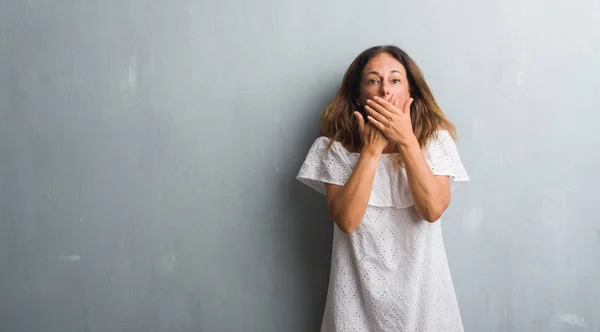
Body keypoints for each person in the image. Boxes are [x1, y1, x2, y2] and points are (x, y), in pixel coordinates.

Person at [296, 45, 470, 332]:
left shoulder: (434, 141)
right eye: (373, 81)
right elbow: (347, 220)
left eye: (395, 80)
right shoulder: (336, 148)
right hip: (355, 301)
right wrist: (372, 150)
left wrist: (406, 141)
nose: (384, 91)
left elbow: (432, 209)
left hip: (423, 298)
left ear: (410, 92)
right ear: (358, 94)